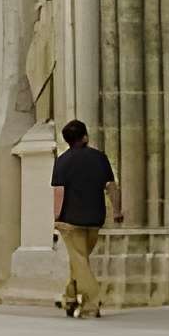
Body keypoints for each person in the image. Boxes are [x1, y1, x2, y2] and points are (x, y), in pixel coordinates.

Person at [49, 117, 121, 319]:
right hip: (95, 218)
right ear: (85, 137)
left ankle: (92, 301)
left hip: (70, 220)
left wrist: (55, 217)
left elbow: (59, 192)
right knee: (79, 261)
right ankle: (70, 298)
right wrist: (117, 210)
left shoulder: (62, 161)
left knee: (79, 261)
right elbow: (111, 186)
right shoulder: (100, 158)